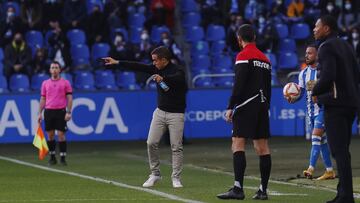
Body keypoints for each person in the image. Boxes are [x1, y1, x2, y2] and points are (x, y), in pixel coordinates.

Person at [103, 46, 188, 188]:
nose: (153, 63)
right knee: (151, 143)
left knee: (176, 147)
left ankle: (176, 178)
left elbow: (179, 80)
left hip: (176, 114)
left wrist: (164, 78)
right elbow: (137, 66)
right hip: (160, 112)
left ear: (164, 60)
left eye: (155, 60)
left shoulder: (178, 70)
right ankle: (155, 174)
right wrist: (117, 62)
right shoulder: (155, 68)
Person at [217, 24, 272, 200]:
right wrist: (265, 106)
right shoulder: (265, 59)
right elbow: (268, 88)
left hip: (246, 105)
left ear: (239, 40)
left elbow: (239, 84)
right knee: (262, 147)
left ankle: (238, 188)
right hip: (263, 106)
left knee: (237, 143)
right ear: (254, 37)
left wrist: (230, 106)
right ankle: (263, 190)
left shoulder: (243, 55)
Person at [312, 15, 360, 203]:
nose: (314, 29)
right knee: (343, 150)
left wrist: (315, 90)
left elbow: (328, 75)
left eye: (317, 26)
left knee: (338, 150)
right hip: (350, 103)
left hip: (336, 104)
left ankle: (346, 196)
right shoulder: (346, 45)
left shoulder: (326, 47)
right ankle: (343, 192)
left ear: (327, 28)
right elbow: (356, 74)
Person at [285, 44, 335, 180]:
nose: (306, 55)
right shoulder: (303, 73)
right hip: (310, 112)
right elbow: (301, 93)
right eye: (306, 53)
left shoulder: (322, 71)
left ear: (317, 55)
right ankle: (330, 171)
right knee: (322, 141)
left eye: (310, 53)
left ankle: (311, 168)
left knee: (315, 138)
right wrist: (293, 99)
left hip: (323, 110)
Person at [38, 61, 73, 166]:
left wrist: (68, 111)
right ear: (50, 70)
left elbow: (70, 98)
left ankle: (62, 157)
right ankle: (52, 157)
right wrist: (40, 113)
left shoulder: (65, 83)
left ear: (59, 70)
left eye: (56, 67)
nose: (54, 69)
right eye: (52, 67)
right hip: (49, 111)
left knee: (61, 135)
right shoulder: (45, 83)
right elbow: (43, 98)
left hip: (61, 111)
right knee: (50, 135)